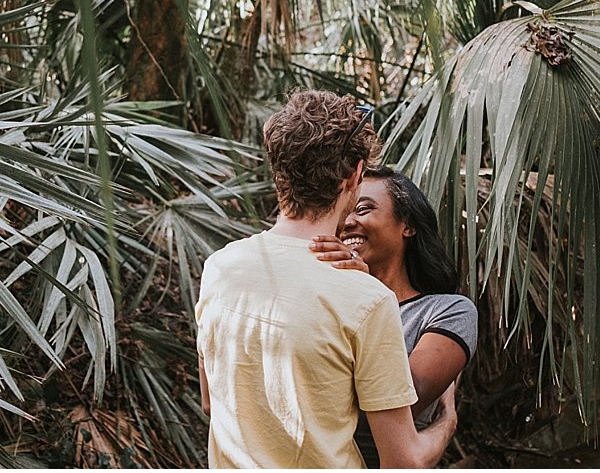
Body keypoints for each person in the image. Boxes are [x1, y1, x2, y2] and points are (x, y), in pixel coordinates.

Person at [195, 91, 457, 468]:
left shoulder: (220, 268)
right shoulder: (366, 298)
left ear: (277, 171)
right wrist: (448, 420)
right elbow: (404, 461)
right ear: (354, 174)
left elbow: (211, 401)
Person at [310, 164, 478, 468]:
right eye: (343, 210)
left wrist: (366, 291)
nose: (347, 222)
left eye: (362, 209)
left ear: (408, 225)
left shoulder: (448, 312)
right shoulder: (321, 301)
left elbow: (401, 401)